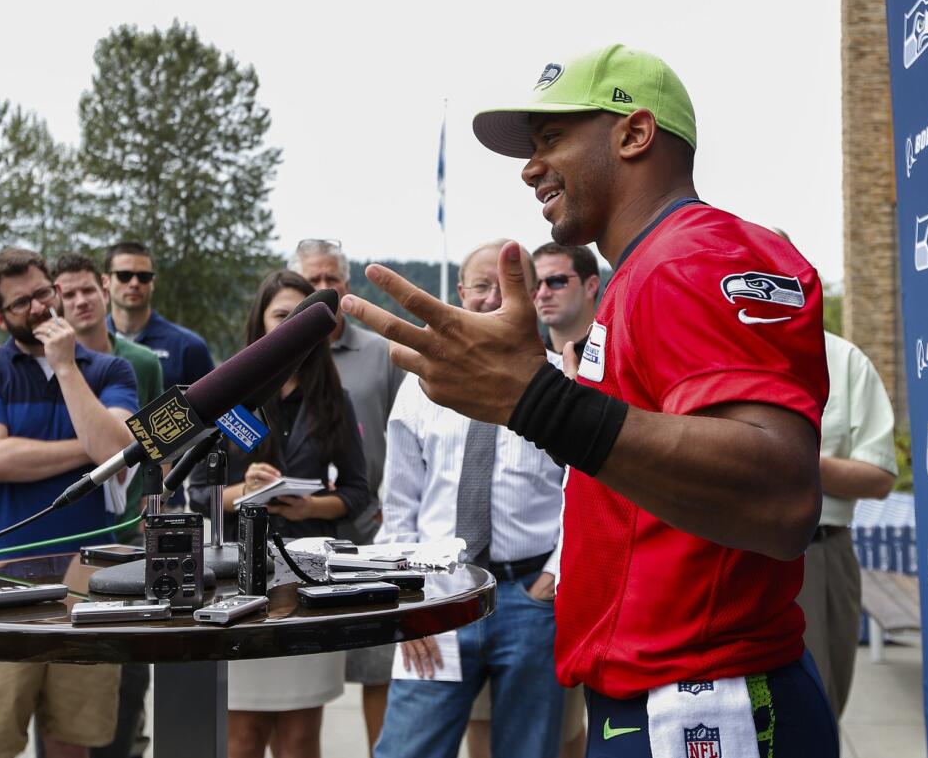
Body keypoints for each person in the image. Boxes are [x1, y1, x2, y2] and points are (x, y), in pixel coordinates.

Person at [342, 45, 838, 756]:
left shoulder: (695, 256)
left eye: (550, 139)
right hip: (657, 692)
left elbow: (784, 498)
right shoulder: (641, 272)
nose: (529, 166)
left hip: (705, 700)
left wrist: (535, 401)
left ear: (634, 135)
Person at [373, 240, 567, 758]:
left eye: (507, 285)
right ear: (459, 294)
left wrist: (554, 577)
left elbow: (585, 493)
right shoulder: (420, 384)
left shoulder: (563, 380)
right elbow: (399, 504)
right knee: (405, 749)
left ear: (530, 295)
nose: (491, 298)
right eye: (481, 285)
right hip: (437, 598)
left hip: (531, 598)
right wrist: (403, 600)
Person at [0, 248, 140, 758]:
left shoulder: (110, 370)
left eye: (43, 293)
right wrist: (94, 448)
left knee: (73, 740)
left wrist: (65, 367)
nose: (39, 308)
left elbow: (114, 455)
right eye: (21, 303)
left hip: (84, 580)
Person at [221, 270, 371, 758]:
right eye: (280, 316)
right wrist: (243, 489)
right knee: (241, 737)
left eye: (301, 319)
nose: (290, 328)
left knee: (300, 738)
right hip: (240, 583)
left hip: (308, 578)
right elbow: (200, 490)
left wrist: (309, 504)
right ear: (261, 325)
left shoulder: (334, 400)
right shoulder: (229, 397)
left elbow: (356, 492)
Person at [289, 237, 406, 753]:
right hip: (299, 540)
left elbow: (408, 431)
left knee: (375, 667)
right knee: (304, 679)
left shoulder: (381, 352)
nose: (322, 290)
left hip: (370, 532)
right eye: (311, 280)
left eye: (330, 279)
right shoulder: (281, 359)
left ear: (347, 284)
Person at [52, 252, 165, 758]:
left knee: (125, 685)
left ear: (103, 290)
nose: (79, 302)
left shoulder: (138, 364)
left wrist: (155, 513)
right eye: (66, 294)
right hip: (63, 543)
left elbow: (161, 446)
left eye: (86, 290)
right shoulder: (47, 362)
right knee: (59, 692)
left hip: (127, 537)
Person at [799, 330, 897, 716]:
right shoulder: (723, 347)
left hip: (819, 555)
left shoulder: (845, 361)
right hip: (727, 553)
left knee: (819, 706)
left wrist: (793, 460)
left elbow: (879, 475)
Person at [104, 241, 214, 390]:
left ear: (152, 282)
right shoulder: (85, 345)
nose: (134, 283)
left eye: (144, 276)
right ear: (106, 281)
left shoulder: (189, 347)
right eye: (124, 275)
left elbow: (213, 408)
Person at [531, 242, 601, 359]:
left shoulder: (618, 355)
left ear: (591, 286)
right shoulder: (527, 359)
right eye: (535, 284)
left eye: (557, 281)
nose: (542, 294)